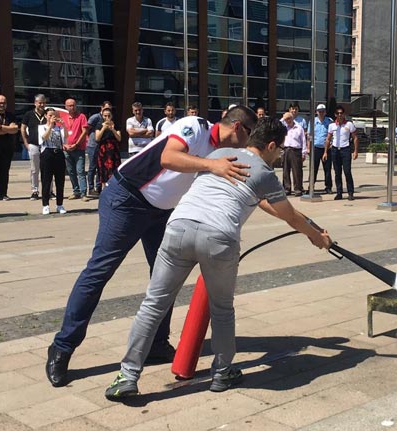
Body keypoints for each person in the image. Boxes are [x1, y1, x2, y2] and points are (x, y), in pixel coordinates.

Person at [104, 117, 332, 400]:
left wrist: (309, 228)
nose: (280, 154)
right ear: (271, 145)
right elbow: (289, 215)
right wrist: (316, 236)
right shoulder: (266, 174)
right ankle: (222, 373)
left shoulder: (217, 156)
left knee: (153, 304)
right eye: (280, 149)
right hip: (219, 237)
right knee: (222, 309)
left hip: (179, 227)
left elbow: (255, 199)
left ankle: (127, 375)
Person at [45, 106, 257, 388]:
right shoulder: (196, 127)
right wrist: (211, 165)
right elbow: (168, 157)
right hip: (126, 198)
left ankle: (157, 343)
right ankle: (62, 348)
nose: (249, 144)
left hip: (161, 211)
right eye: (250, 135)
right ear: (240, 127)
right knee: (99, 272)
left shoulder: (221, 153)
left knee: (164, 277)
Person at [324, 105, 358, 201]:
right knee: (337, 172)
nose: (339, 115)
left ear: (344, 114)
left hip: (345, 149)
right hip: (335, 150)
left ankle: (350, 192)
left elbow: (355, 137)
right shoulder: (332, 126)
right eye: (338, 113)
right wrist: (325, 152)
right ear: (335, 115)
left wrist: (355, 151)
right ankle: (339, 192)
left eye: (341, 113)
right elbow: (328, 139)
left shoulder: (349, 124)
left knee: (347, 171)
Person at [38, 108, 67, 215]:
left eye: (54, 115)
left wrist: (64, 126)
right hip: (47, 154)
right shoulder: (42, 127)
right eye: (50, 115)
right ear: (45, 116)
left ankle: (60, 204)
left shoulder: (59, 128)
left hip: (58, 153)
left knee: (60, 180)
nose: (52, 117)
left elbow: (65, 138)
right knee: (46, 180)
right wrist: (50, 125)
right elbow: (43, 138)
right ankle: (45, 205)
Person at [0, 94, 20, 200]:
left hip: (7, 148)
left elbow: (15, 129)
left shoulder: (10, 115)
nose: (2, 104)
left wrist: (1, 127)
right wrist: (7, 129)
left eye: (3, 102)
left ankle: (3, 194)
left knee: (4, 172)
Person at [20, 94, 47, 200]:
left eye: (43, 102)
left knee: (47, 169)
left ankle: (49, 191)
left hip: (46, 145)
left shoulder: (48, 113)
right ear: (35, 103)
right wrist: (25, 143)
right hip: (34, 144)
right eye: (39, 102)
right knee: (34, 169)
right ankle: (35, 191)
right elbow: (22, 128)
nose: (41, 104)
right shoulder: (29, 114)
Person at [63, 98, 90, 201]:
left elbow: (84, 132)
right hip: (67, 149)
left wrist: (76, 143)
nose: (72, 107)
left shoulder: (81, 117)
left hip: (78, 148)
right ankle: (76, 191)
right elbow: (60, 133)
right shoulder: (63, 118)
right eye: (69, 105)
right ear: (65, 107)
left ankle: (83, 193)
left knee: (80, 171)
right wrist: (64, 145)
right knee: (71, 171)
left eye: (73, 105)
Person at [85, 101, 113, 196]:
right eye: (105, 108)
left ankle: (98, 187)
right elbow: (87, 128)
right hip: (93, 145)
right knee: (92, 167)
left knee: (100, 167)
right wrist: (89, 138)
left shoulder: (110, 119)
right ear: (101, 108)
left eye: (109, 108)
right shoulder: (95, 117)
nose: (107, 110)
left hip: (103, 146)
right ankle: (91, 188)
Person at [281, 112, 307, 196]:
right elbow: (279, 123)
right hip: (286, 150)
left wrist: (304, 152)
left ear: (292, 118)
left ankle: (298, 189)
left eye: (288, 119)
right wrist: (283, 118)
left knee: (297, 171)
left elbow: (303, 140)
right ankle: (286, 189)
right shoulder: (284, 128)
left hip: (296, 150)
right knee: (285, 171)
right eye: (285, 119)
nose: (287, 121)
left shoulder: (299, 128)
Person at [95, 107, 122, 187]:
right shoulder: (99, 124)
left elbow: (119, 138)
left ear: (111, 116)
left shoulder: (116, 124)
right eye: (105, 116)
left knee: (114, 169)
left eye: (108, 116)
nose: (107, 118)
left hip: (114, 150)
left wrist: (112, 129)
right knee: (103, 170)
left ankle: (114, 188)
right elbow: (97, 138)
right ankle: (104, 188)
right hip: (104, 150)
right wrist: (103, 128)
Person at [312, 103, 333, 194]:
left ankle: (328, 187)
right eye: (319, 111)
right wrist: (308, 148)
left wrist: (332, 144)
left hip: (326, 149)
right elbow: (309, 136)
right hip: (316, 148)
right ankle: (311, 186)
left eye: (322, 111)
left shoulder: (329, 121)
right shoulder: (313, 121)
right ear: (316, 112)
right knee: (314, 169)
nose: (321, 113)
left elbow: (333, 134)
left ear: (325, 112)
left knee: (327, 169)